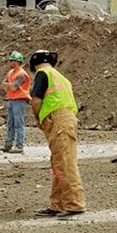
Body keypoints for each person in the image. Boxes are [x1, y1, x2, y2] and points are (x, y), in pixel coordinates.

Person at [28, 50, 85, 218]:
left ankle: (75, 204)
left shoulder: (43, 73)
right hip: (65, 118)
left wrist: (38, 118)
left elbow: (36, 99)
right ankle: (58, 204)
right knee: (59, 162)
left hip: (58, 118)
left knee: (65, 162)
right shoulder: (60, 77)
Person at [1, 52, 31, 153]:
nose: (10, 62)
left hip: (20, 100)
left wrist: (9, 86)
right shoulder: (10, 73)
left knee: (18, 123)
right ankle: (8, 144)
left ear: (18, 62)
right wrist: (10, 86)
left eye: (12, 60)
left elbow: (13, 87)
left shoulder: (21, 74)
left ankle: (19, 145)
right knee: (10, 123)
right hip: (12, 99)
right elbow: (4, 85)